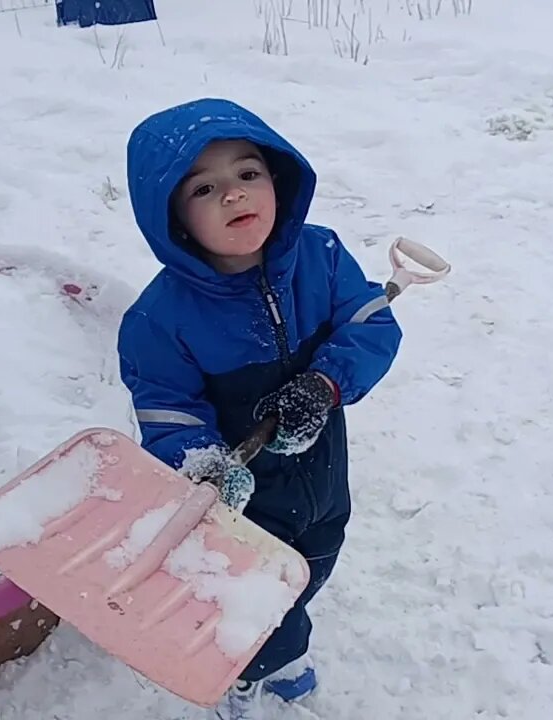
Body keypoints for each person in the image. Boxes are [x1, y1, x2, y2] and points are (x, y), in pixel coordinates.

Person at [116, 97, 403, 718]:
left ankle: (272, 645)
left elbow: (372, 327)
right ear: (173, 217)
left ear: (278, 179)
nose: (234, 194)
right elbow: (168, 411)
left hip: (323, 478)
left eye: (248, 173)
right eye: (204, 188)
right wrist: (201, 463)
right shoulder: (159, 321)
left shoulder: (322, 257)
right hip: (245, 506)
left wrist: (324, 384)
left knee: (314, 563)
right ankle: (254, 668)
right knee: (254, 597)